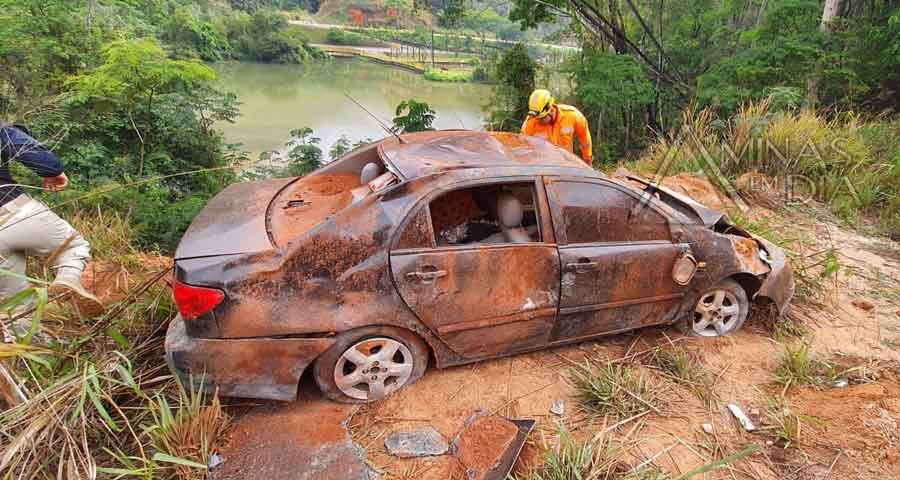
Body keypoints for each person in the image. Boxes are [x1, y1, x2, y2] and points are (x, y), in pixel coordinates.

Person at [0, 121, 103, 321]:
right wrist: (52, 172)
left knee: (14, 306)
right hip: (14, 213)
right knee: (73, 247)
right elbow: (27, 150)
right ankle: (68, 279)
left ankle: (24, 349)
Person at [521, 89, 593, 165]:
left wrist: (588, 159)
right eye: (536, 118)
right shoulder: (530, 123)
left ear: (551, 110)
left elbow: (585, 139)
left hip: (566, 166)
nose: (539, 121)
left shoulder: (573, 116)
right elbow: (524, 148)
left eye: (542, 118)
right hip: (543, 167)